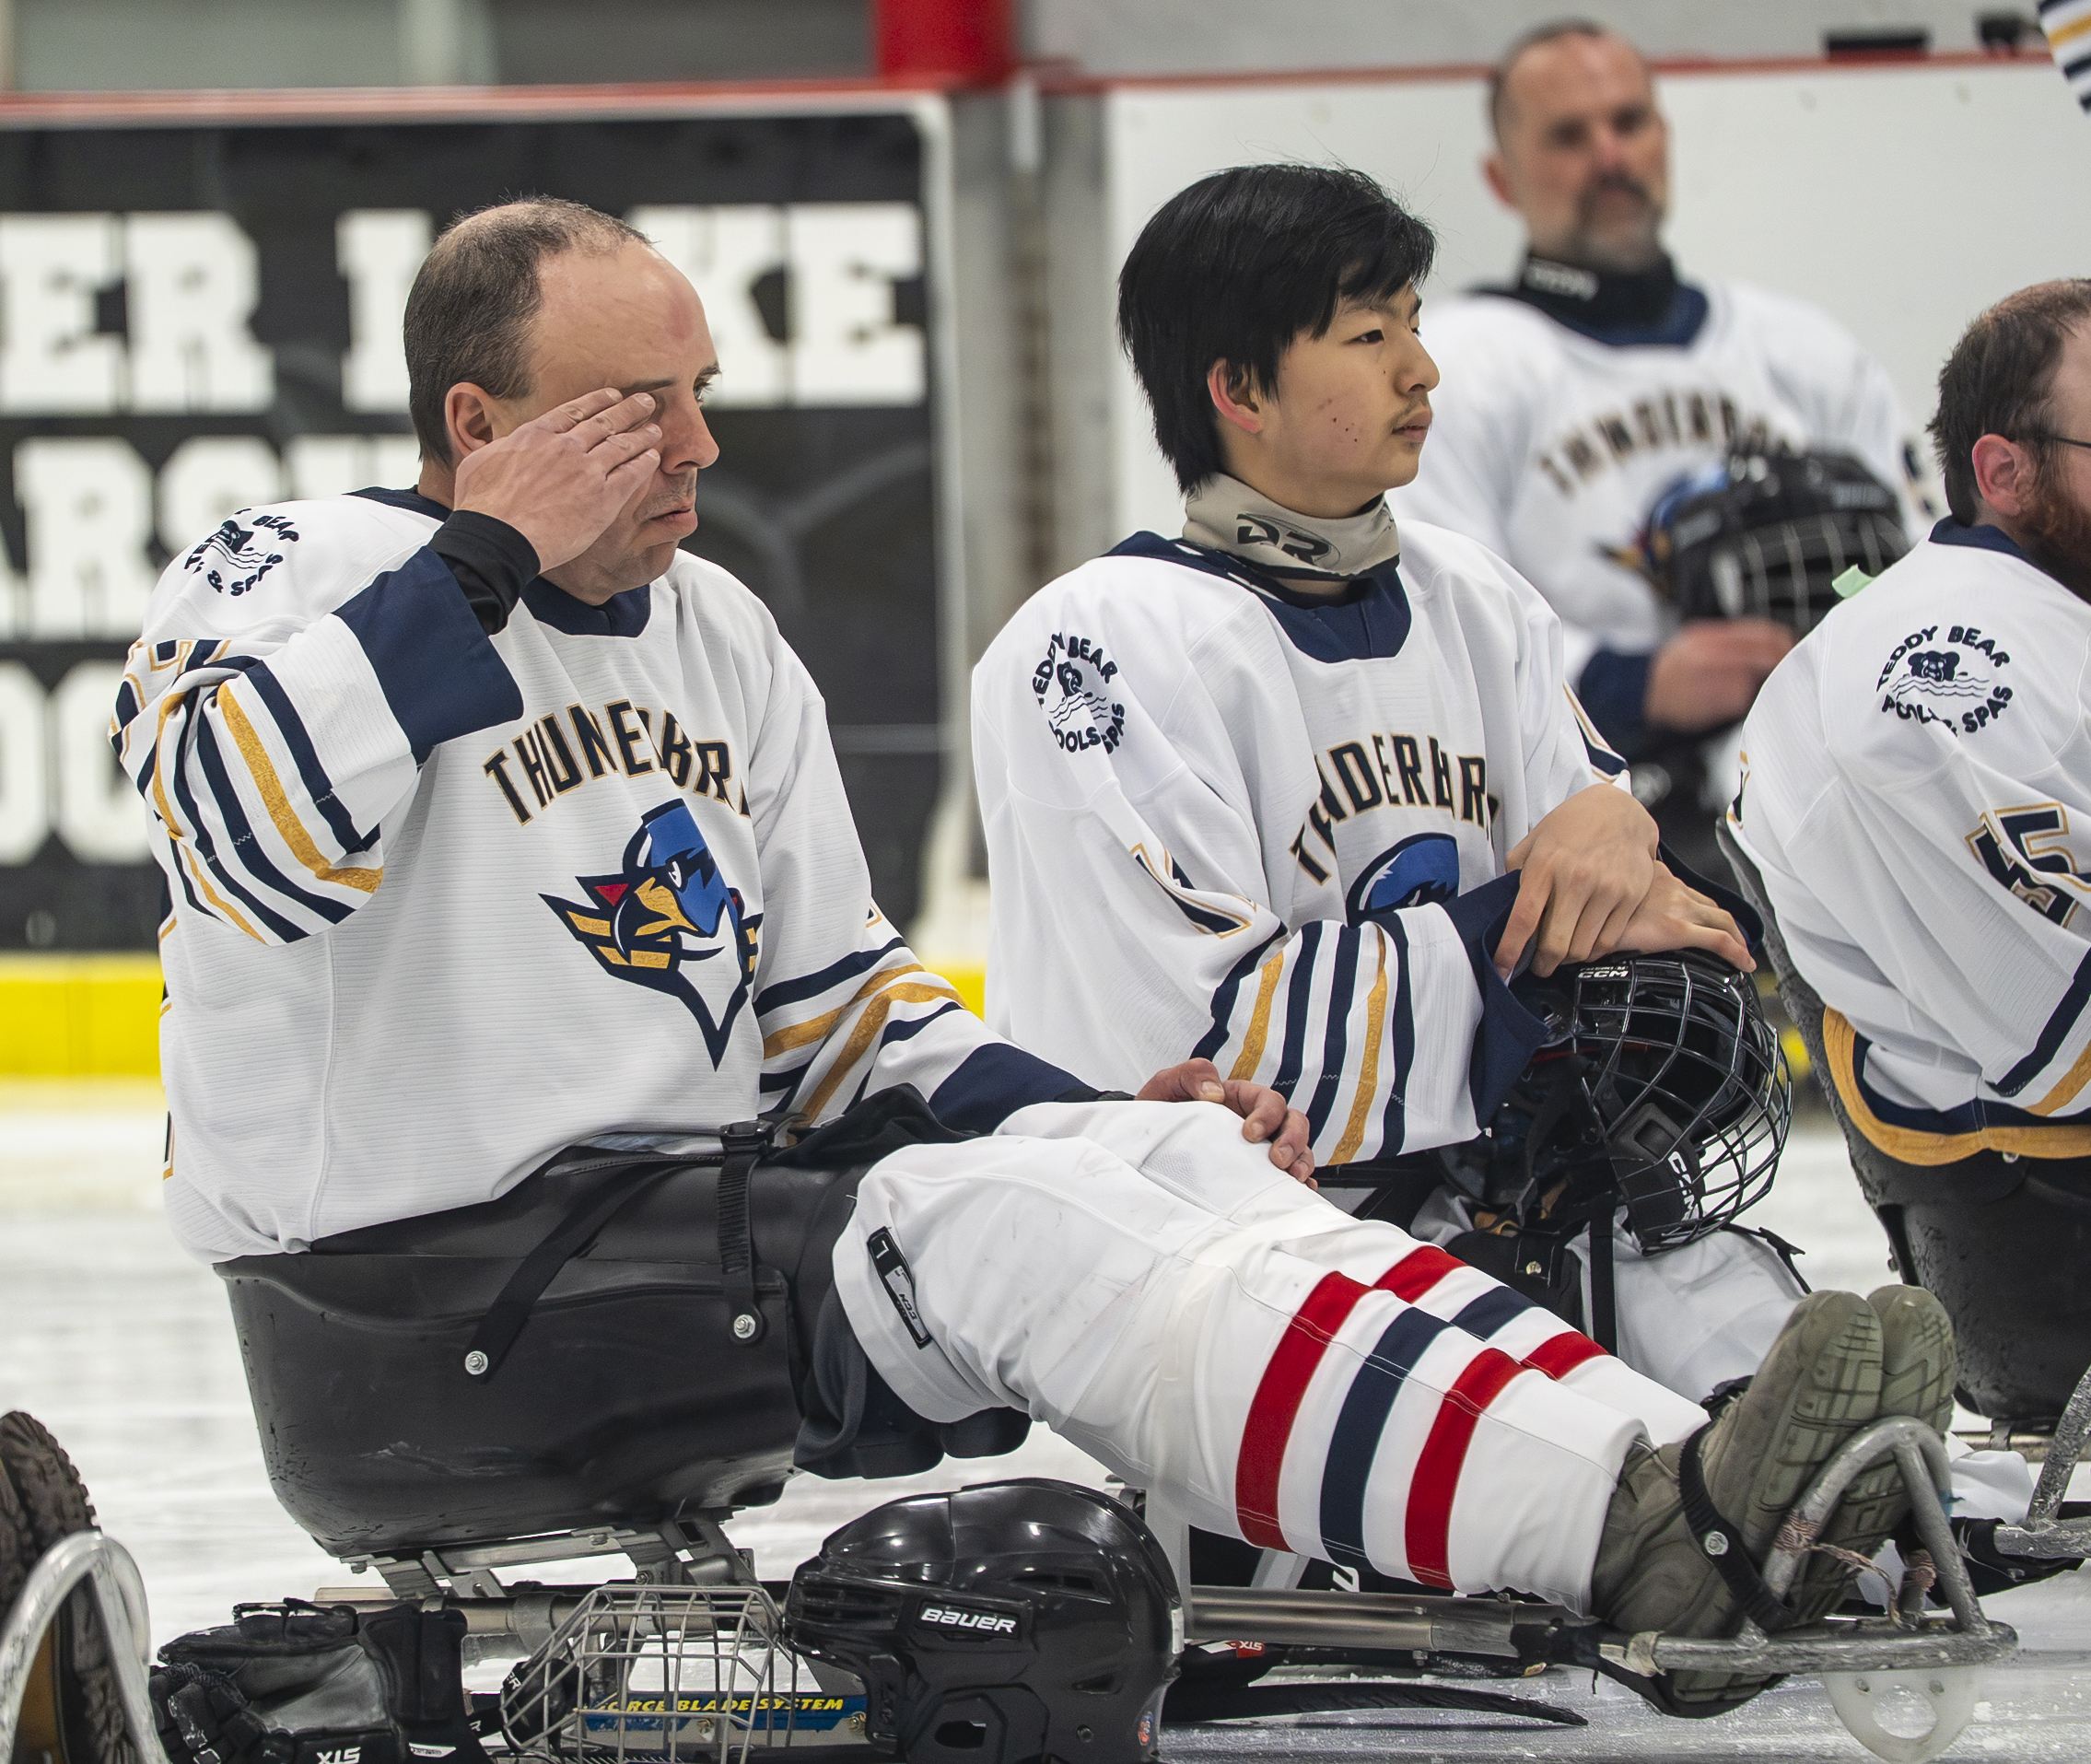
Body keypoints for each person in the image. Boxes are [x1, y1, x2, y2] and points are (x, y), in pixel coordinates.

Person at [117, 195, 1930, 1721]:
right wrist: (484, 560)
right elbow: (236, 837)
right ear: (477, 418)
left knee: (1168, 1164)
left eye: (701, 396)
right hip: (412, 1298)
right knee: (992, 1228)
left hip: (666, 1244)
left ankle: (1689, 1482)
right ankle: (1628, 1532)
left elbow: (842, 1017)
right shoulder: (292, 569)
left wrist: (1111, 1117)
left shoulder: (718, 632)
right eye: (633, 409)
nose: (696, 449)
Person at [973, 162, 1805, 1407]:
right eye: (1369, 337)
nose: (1421, 370)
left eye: (1412, 324)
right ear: (1237, 390)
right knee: (1596, 1435)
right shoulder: (1096, 646)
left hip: (1489, 1190)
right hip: (1239, 1247)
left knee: (1756, 1336)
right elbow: (1203, 1043)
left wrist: (1613, 823)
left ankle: (1830, 1478)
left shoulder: (1472, 597)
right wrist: (1520, 929)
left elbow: (1616, 886)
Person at [1392, 19, 1932, 875]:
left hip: (1846, 790)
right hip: (1600, 820)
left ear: (1665, 139)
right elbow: (1435, 624)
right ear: (1502, 177)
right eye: (1569, 136)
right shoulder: (1457, 365)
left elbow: (1925, 566)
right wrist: (1636, 686)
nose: (1610, 157)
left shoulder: (1802, 351)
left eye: (1629, 122)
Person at [1731, 280, 2091, 1435]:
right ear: (2004, 472)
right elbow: (2063, 1050)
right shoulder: (1941, 671)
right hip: (2051, 1234)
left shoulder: (2046, 624)